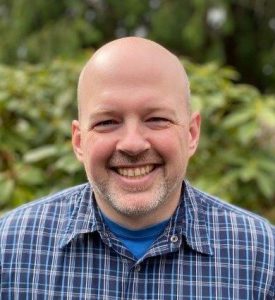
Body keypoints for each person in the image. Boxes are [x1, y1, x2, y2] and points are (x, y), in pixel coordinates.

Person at [0, 37, 274, 299]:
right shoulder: (10, 248)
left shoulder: (261, 258)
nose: (132, 144)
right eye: (107, 122)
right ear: (79, 141)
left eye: (156, 119)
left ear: (191, 134)